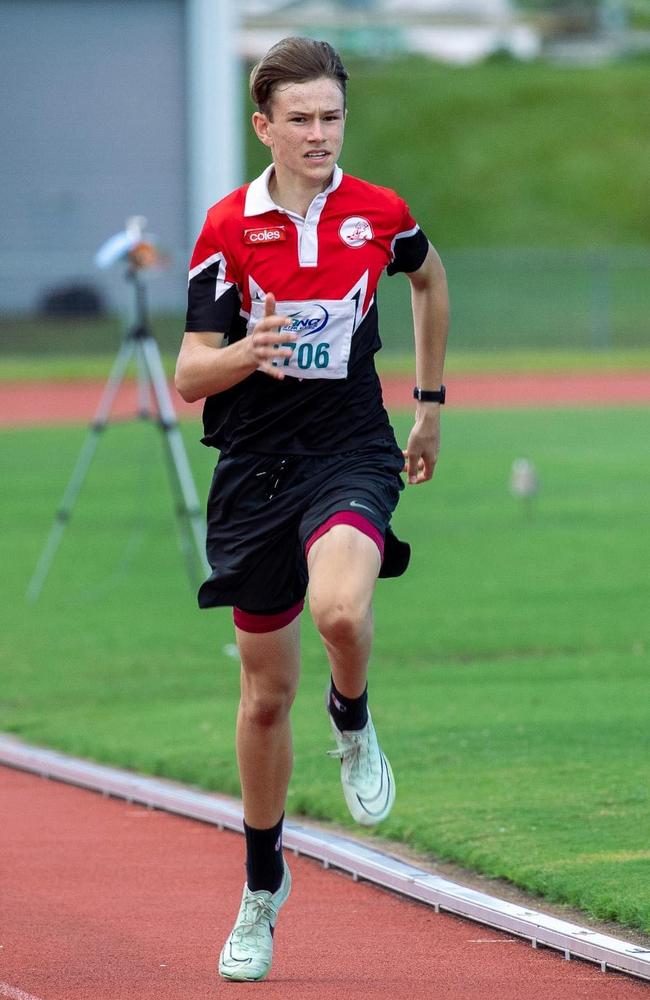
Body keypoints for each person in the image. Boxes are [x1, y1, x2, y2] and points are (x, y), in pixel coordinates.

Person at [175, 36, 449, 982]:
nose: (320, 134)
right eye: (301, 119)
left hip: (349, 449)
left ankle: (356, 715)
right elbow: (187, 376)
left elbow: (429, 278)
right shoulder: (226, 229)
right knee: (262, 697)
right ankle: (262, 889)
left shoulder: (379, 214)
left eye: (332, 116)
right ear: (266, 126)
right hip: (253, 465)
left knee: (341, 607)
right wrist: (247, 350)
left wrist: (429, 404)